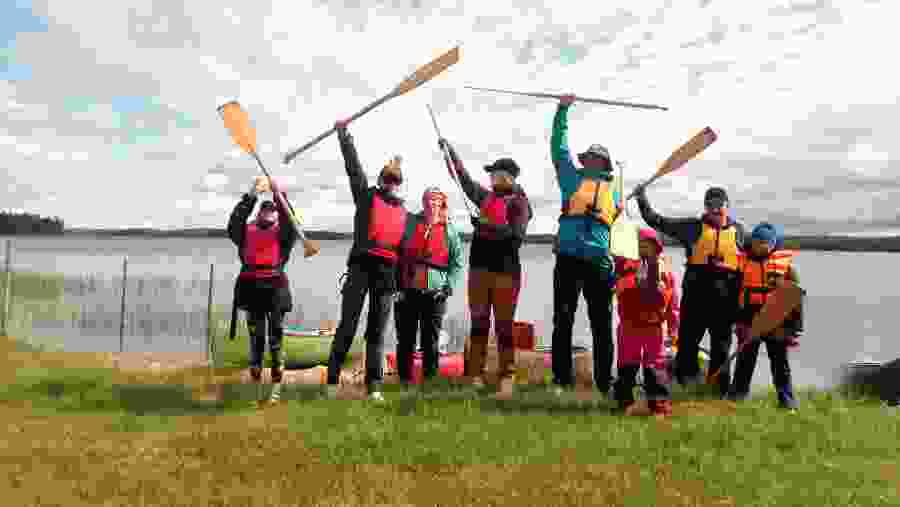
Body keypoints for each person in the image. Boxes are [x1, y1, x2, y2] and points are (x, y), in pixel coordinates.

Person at [438, 137, 533, 398]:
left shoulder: (520, 203)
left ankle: (507, 375)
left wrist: (484, 226)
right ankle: (475, 374)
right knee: (479, 323)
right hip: (479, 270)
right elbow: (464, 180)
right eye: (491, 174)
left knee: (504, 325)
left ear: (509, 177)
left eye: (496, 174)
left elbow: (516, 236)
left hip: (506, 273)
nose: (491, 178)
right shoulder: (486, 197)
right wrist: (450, 153)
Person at [325, 119, 412, 402]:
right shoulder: (365, 196)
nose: (391, 183)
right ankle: (331, 380)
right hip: (361, 267)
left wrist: (401, 285)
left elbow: (405, 253)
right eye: (387, 179)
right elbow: (353, 167)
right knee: (348, 325)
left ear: (400, 185)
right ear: (380, 180)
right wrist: (344, 135)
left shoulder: (404, 212)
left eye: (396, 180)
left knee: (376, 333)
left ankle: (374, 387)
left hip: (387, 275)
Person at [633, 184, 746, 398]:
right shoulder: (692, 227)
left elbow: (757, 256)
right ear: (705, 207)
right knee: (686, 346)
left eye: (719, 205)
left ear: (727, 206)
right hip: (696, 298)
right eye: (710, 205)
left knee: (721, 349)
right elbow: (656, 220)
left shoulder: (739, 232)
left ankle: (719, 392)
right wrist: (641, 198)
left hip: (725, 303)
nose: (715, 209)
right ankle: (685, 386)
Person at [548, 94, 621, 396]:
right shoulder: (570, 179)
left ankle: (605, 382)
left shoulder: (615, 190)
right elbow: (558, 148)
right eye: (587, 156)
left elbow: (622, 232)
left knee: (602, 324)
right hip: (567, 259)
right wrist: (562, 110)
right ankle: (561, 380)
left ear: (603, 163)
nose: (588, 160)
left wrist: (621, 266)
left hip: (600, 264)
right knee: (562, 320)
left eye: (594, 157)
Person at [227, 176, 299, 397]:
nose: (268, 213)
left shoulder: (284, 234)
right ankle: (256, 373)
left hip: (275, 289)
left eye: (272, 210)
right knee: (256, 335)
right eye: (264, 210)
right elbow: (234, 223)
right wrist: (251, 195)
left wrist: (280, 196)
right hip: (251, 289)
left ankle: (277, 373)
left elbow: (290, 220)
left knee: (275, 336)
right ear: (258, 213)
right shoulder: (245, 232)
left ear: (276, 213)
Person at [393, 186, 465, 389]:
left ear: (442, 204)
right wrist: (396, 287)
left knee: (430, 342)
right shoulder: (409, 224)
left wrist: (448, 288)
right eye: (428, 200)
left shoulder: (449, 230)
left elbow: (457, 262)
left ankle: (430, 383)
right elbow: (397, 255)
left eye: (436, 201)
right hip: (407, 291)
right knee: (405, 339)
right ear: (423, 202)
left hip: (435, 294)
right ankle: (404, 381)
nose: (432, 204)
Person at [728, 222, 803, 410]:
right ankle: (737, 398)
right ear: (751, 242)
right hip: (748, 319)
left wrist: (794, 329)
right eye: (757, 241)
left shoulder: (787, 270)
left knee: (780, 364)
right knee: (745, 362)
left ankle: (787, 402)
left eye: (765, 243)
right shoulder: (741, 264)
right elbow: (731, 295)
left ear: (772, 245)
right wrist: (735, 321)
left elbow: (795, 301)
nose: (760, 246)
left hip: (776, 321)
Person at [612, 228, 680, 417]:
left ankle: (658, 406)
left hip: (654, 327)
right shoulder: (623, 266)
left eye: (647, 244)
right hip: (629, 325)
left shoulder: (665, 271)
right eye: (639, 243)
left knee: (655, 367)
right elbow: (612, 286)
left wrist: (674, 329)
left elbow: (673, 304)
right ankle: (623, 402)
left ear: (656, 247)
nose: (643, 247)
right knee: (626, 365)